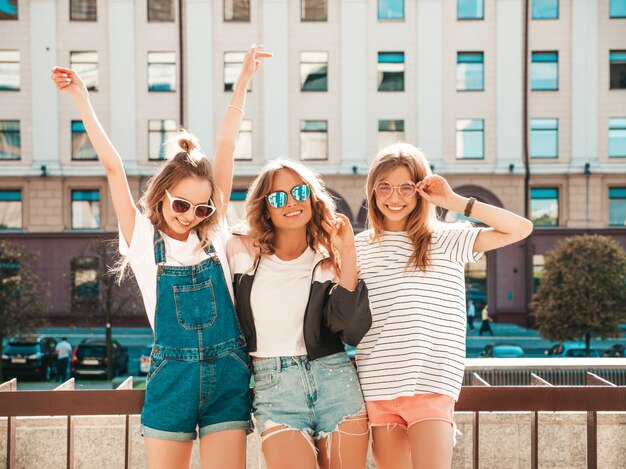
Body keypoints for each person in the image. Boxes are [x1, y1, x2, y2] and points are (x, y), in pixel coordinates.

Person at [51, 44, 271, 469]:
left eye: (203, 207)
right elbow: (113, 166)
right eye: (181, 205)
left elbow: (225, 143)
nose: (192, 215)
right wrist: (81, 98)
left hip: (228, 375)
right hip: (172, 381)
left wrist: (243, 80)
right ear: (162, 194)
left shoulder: (215, 230)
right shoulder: (140, 239)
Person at [354, 143, 533, 469]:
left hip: (431, 384)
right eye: (385, 187)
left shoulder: (446, 238)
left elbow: (520, 228)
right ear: (373, 191)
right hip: (376, 384)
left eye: (406, 187)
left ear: (420, 190)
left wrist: (455, 202)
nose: (395, 197)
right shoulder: (358, 247)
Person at [227, 159, 372, 469]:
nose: (291, 202)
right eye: (278, 198)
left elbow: (350, 330)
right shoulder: (240, 251)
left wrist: (347, 253)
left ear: (311, 196)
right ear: (265, 208)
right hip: (275, 389)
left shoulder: (326, 258)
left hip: (336, 381)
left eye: (299, 192)